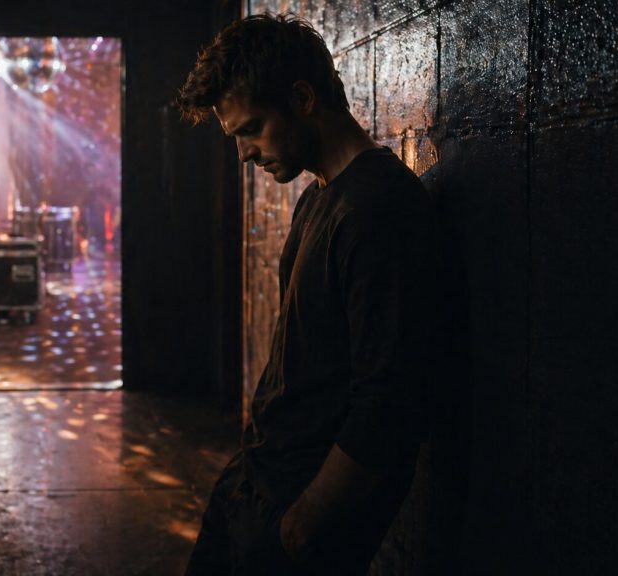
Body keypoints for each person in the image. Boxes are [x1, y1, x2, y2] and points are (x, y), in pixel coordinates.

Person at [177, 13, 441, 575]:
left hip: (296, 512)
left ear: (301, 98)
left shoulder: (379, 210)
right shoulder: (318, 199)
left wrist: (300, 528)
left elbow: (389, 402)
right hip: (255, 483)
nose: (244, 153)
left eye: (251, 129)